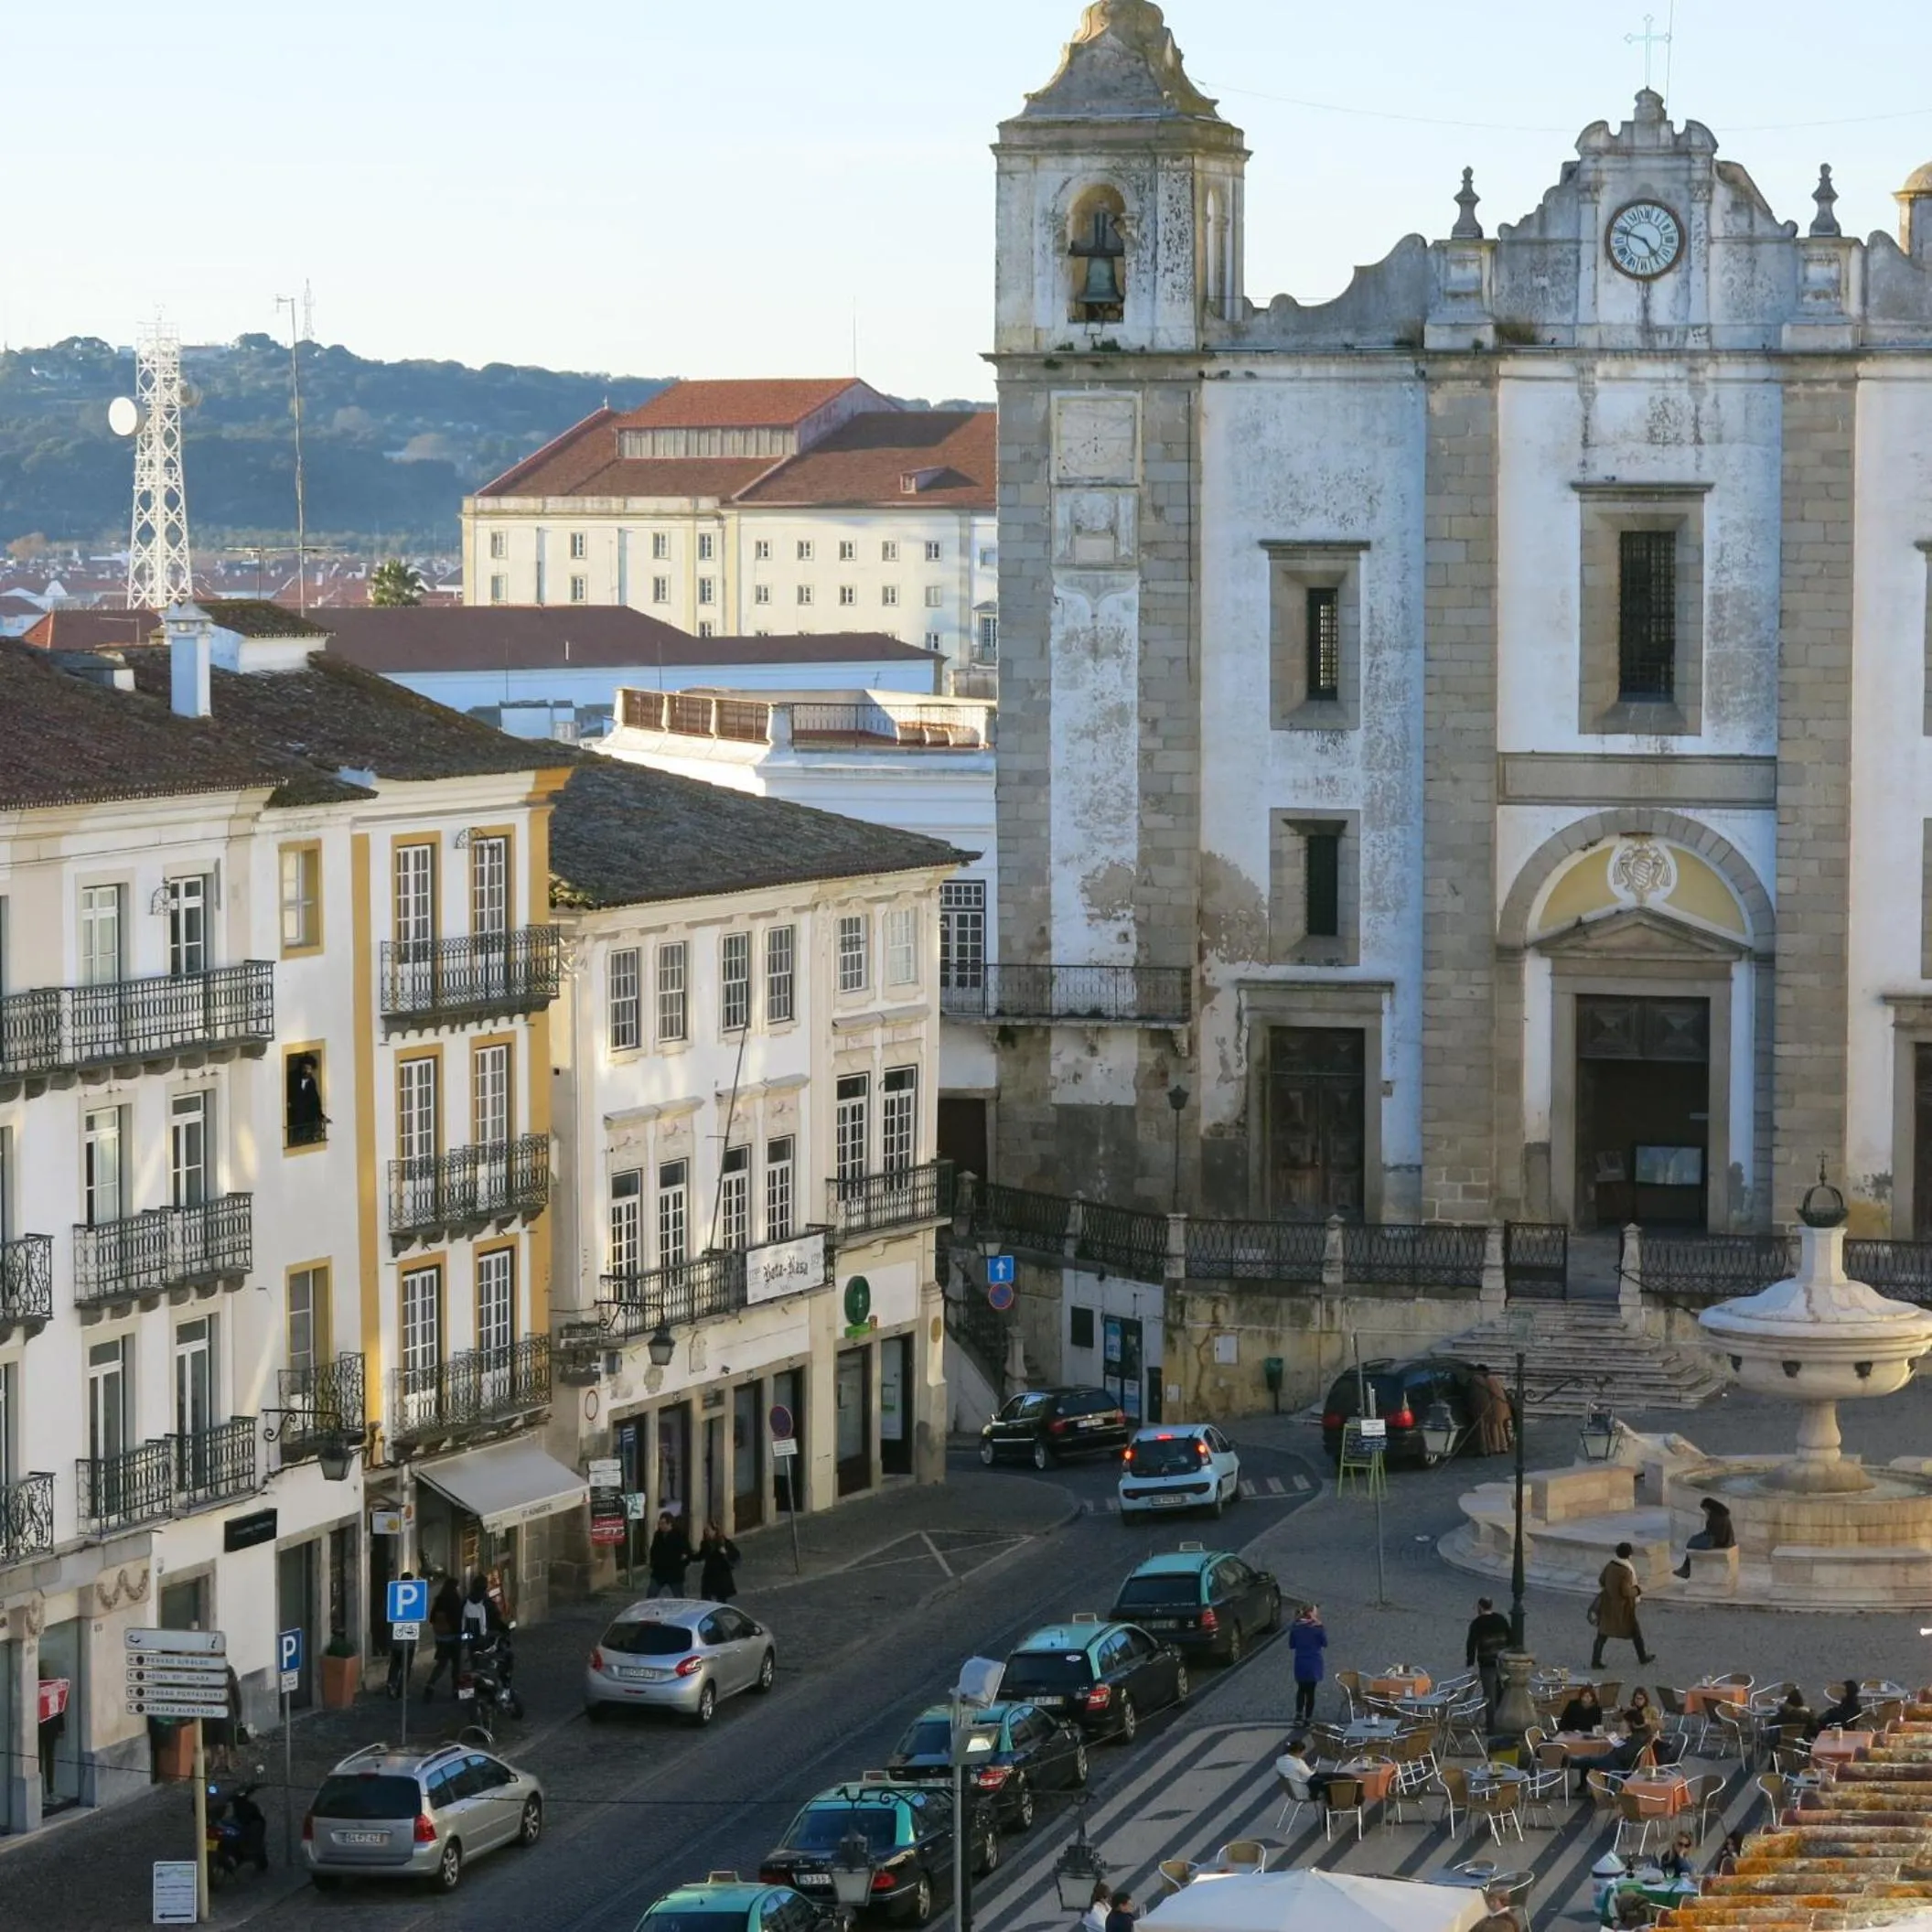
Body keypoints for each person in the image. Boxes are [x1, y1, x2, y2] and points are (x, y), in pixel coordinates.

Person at [1591, 1541, 1654, 1669]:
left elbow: (1601, 1580)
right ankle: (1642, 1657)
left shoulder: (1610, 1565)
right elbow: (1625, 1591)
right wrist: (1637, 1590)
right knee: (1635, 1631)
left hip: (1608, 1604)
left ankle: (1595, 1661)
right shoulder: (1626, 1571)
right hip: (1622, 1607)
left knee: (1602, 1634)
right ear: (1629, 1555)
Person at [1465, 1595, 1512, 1720]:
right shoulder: (1501, 1619)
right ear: (1491, 1606)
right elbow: (1510, 1639)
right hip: (1502, 1663)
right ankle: (1503, 1720)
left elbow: (1471, 1644)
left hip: (1487, 1664)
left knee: (1489, 1696)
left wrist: (1470, 1663)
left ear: (1480, 1607)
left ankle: (1492, 1726)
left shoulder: (1477, 1623)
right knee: (1502, 1692)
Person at [422, 1575, 465, 1700]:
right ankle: (456, 1689)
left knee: (441, 1664)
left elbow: (431, 1618)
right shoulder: (455, 1599)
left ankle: (430, 1684)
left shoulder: (439, 1600)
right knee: (456, 1665)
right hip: (454, 1637)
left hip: (441, 1638)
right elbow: (458, 1619)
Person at [1674, 1496, 1737, 1578]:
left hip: (1720, 1542)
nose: (1705, 1512)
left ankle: (1686, 1569)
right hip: (1717, 1539)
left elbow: (1716, 1535)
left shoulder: (1717, 1516)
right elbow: (1710, 1531)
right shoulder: (1718, 1514)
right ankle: (1685, 1568)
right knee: (1693, 1539)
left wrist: (1704, 1538)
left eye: (1705, 1509)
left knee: (1691, 1544)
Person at [1287, 1602, 1326, 1726]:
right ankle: (1308, 1718)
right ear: (1311, 1613)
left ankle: (1298, 1714)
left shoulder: (1295, 1626)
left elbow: (1292, 1645)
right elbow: (1324, 1643)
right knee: (1311, 1692)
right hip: (1313, 1663)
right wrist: (1321, 1626)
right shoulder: (1317, 1628)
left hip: (1300, 1662)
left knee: (1301, 1690)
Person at [385, 1569, 420, 1701]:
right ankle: (401, 1692)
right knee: (406, 1667)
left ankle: (391, 1684)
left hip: (395, 1638)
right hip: (408, 1639)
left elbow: (386, 1615)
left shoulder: (394, 1595)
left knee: (395, 1664)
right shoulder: (412, 1596)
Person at [648, 1511, 693, 1599]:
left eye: (663, 1523)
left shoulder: (679, 1535)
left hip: (674, 1573)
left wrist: (682, 1565)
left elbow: (687, 1553)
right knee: (651, 1595)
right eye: (659, 1523)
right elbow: (653, 1550)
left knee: (679, 1597)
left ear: (669, 1524)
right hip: (659, 1572)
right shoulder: (658, 1535)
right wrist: (653, 1563)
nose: (660, 1525)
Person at [1276, 1735, 1335, 1803]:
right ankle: (1332, 1805)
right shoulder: (1297, 1762)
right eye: (1303, 1752)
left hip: (1293, 1789)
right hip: (1304, 1791)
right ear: (1298, 1752)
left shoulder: (1279, 1760)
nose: (1305, 1753)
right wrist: (1313, 1770)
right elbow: (1310, 1775)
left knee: (1327, 1777)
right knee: (1330, 1783)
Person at [698, 1519, 741, 1603]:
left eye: (708, 1530)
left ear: (715, 1531)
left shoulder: (724, 1542)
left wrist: (725, 1552)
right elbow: (700, 1556)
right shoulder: (705, 1543)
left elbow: (735, 1554)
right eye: (705, 1530)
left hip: (721, 1575)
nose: (707, 1532)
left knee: (721, 1599)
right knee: (706, 1599)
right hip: (709, 1574)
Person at [1474, 1365, 1511, 1457]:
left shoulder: (1488, 1380)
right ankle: (1504, 1446)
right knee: (1500, 1426)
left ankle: (1497, 1447)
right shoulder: (1496, 1378)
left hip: (1495, 1405)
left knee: (1494, 1426)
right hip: (1502, 1404)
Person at [461, 1572, 505, 1649]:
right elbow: (495, 1617)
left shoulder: (466, 1600)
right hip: (483, 1635)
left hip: (469, 1634)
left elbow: (461, 1617)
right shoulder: (486, 1602)